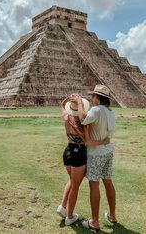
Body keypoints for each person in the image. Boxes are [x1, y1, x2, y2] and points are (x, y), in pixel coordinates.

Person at [57, 95, 109, 226]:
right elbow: (88, 141)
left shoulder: (66, 117)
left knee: (72, 180)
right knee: (75, 186)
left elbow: (62, 106)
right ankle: (70, 216)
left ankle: (62, 207)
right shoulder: (84, 124)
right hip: (79, 153)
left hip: (68, 151)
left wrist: (65, 102)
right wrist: (104, 141)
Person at [71, 85, 117, 231]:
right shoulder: (110, 112)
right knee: (108, 182)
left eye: (93, 96)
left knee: (94, 185)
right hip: (107, 151)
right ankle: (112, 215)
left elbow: (83, 119)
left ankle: (95, 221)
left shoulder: (96, 110)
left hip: (96, 153)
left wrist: (79, 103)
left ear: (97, 98)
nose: (91, 99)